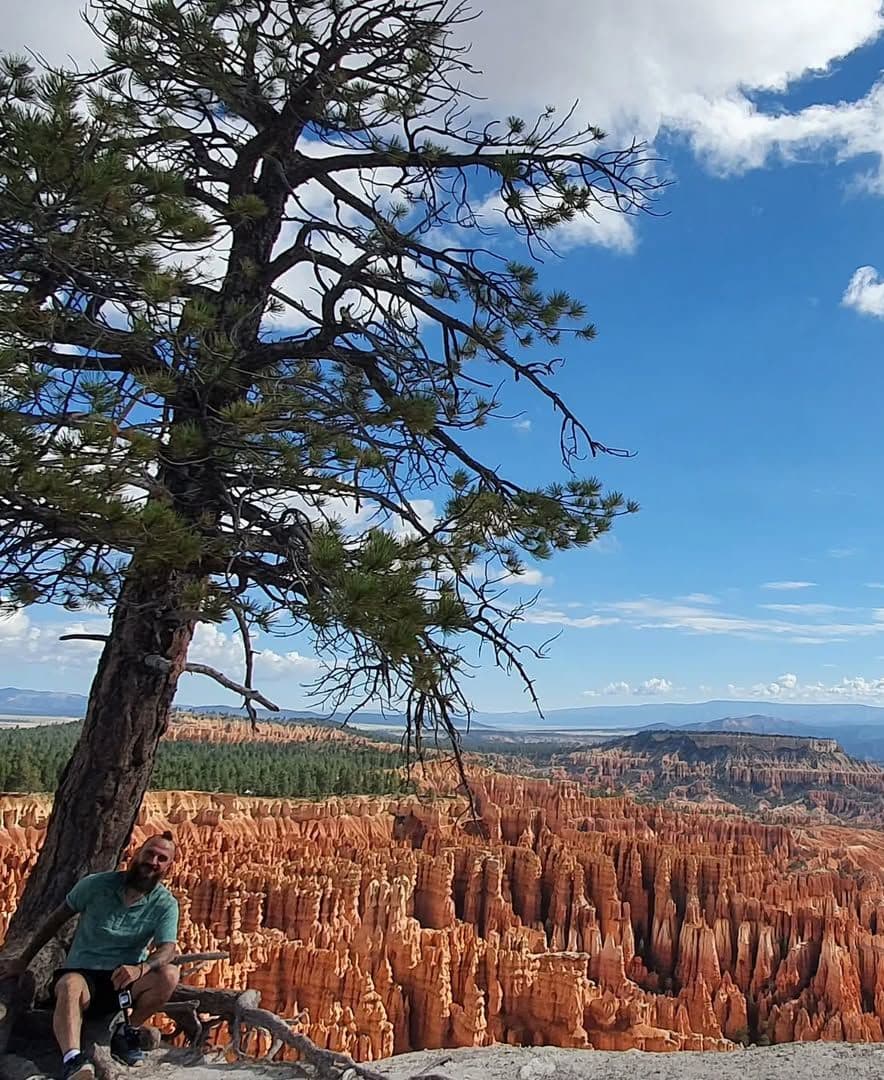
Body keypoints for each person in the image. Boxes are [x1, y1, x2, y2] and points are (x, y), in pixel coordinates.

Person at [0, 832, 180, 1080]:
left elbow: (168, 948)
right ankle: (73, 1059)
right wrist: (24, 960)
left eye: (162, 858)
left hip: (123, 980)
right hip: (83, 975)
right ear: (137, 853)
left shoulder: (165, 904)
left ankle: (128, 1031)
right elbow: (55, 920)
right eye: (150, 853)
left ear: (169, 867)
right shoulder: (96, 885)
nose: (153, 861)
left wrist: (142, 968)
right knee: (70, 985)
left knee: (169, 974)